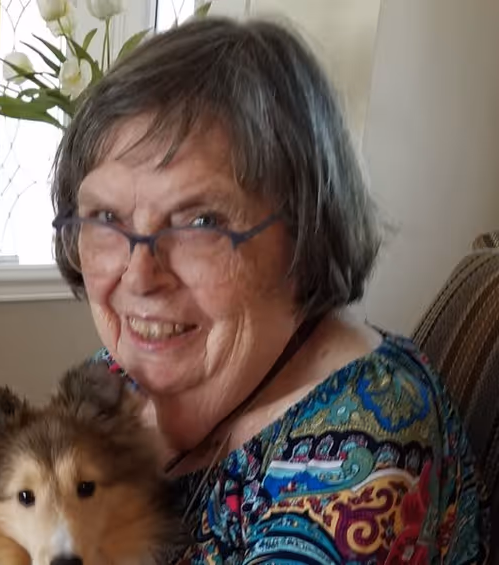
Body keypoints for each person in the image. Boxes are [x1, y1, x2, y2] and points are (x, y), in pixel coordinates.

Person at [50, 15, 490, 564]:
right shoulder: (116, 380)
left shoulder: (360, 451)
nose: (138, 277)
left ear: (304, 237)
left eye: (201, 222)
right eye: (106, 215)